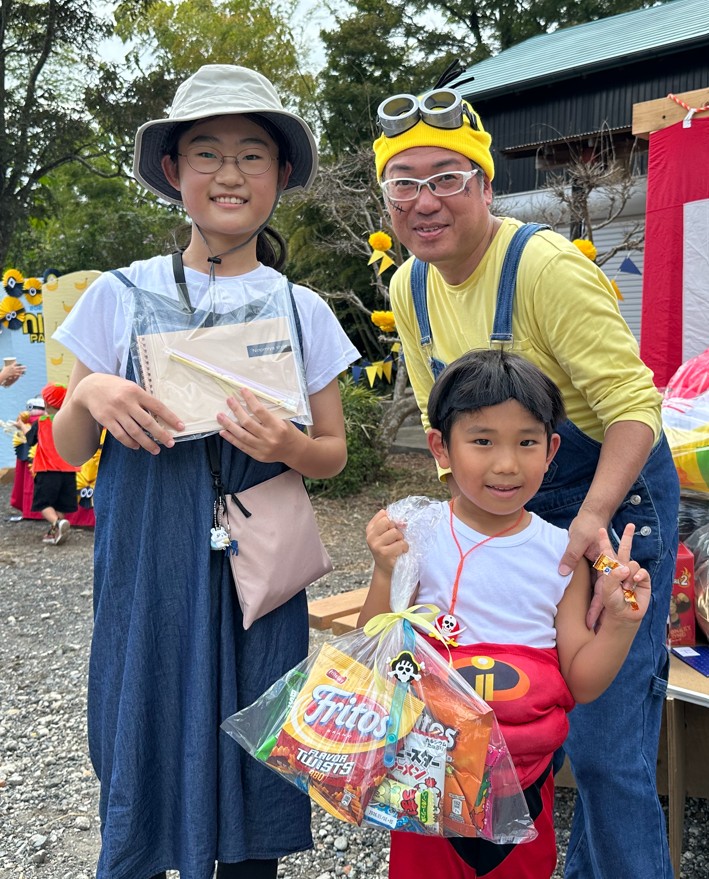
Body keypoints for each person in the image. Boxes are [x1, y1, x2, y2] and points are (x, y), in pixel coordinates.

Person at [52, 64, 359, 879]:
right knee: (142, 716)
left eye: (253, 155)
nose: (230, 174)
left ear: (281, 174)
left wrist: (289, 447)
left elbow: (331, 451)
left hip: (259, 575)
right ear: (172, 173)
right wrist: (93, 388)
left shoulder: (303, 309)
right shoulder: (118, 295)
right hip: (148, 564)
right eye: (207, 154)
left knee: (257, 726)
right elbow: (68, 446)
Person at [372, 87, 680, 879]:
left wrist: (593, 519)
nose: (424, 200)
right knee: (508, 712)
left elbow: (633, 407)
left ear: (484, 185)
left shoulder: (541, 268)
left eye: (446, 177)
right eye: (403, 182)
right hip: (507, 502)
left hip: (610, 495)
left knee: (604, 741)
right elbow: (445, 428)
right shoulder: (411, 285)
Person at [360, 348, 651, 879]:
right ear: (440, 447)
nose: (506, 464)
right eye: (482, 441)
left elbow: (579, 683)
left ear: (551, 449)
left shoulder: (561, 555)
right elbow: (371, 654)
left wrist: (621, 622)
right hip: (425, 777)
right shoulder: (416, 535)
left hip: (525, 779)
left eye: (526, 442)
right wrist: (385, 574)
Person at [15, 383, 77, 544]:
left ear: (47, 404)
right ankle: (54, 533)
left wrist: (22, 426)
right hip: (69, 470)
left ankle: (57, 523)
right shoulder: (71, 421)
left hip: (47, 470)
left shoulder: (42, 421)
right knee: (60, 504)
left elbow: (31, 439)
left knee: (43, 503)